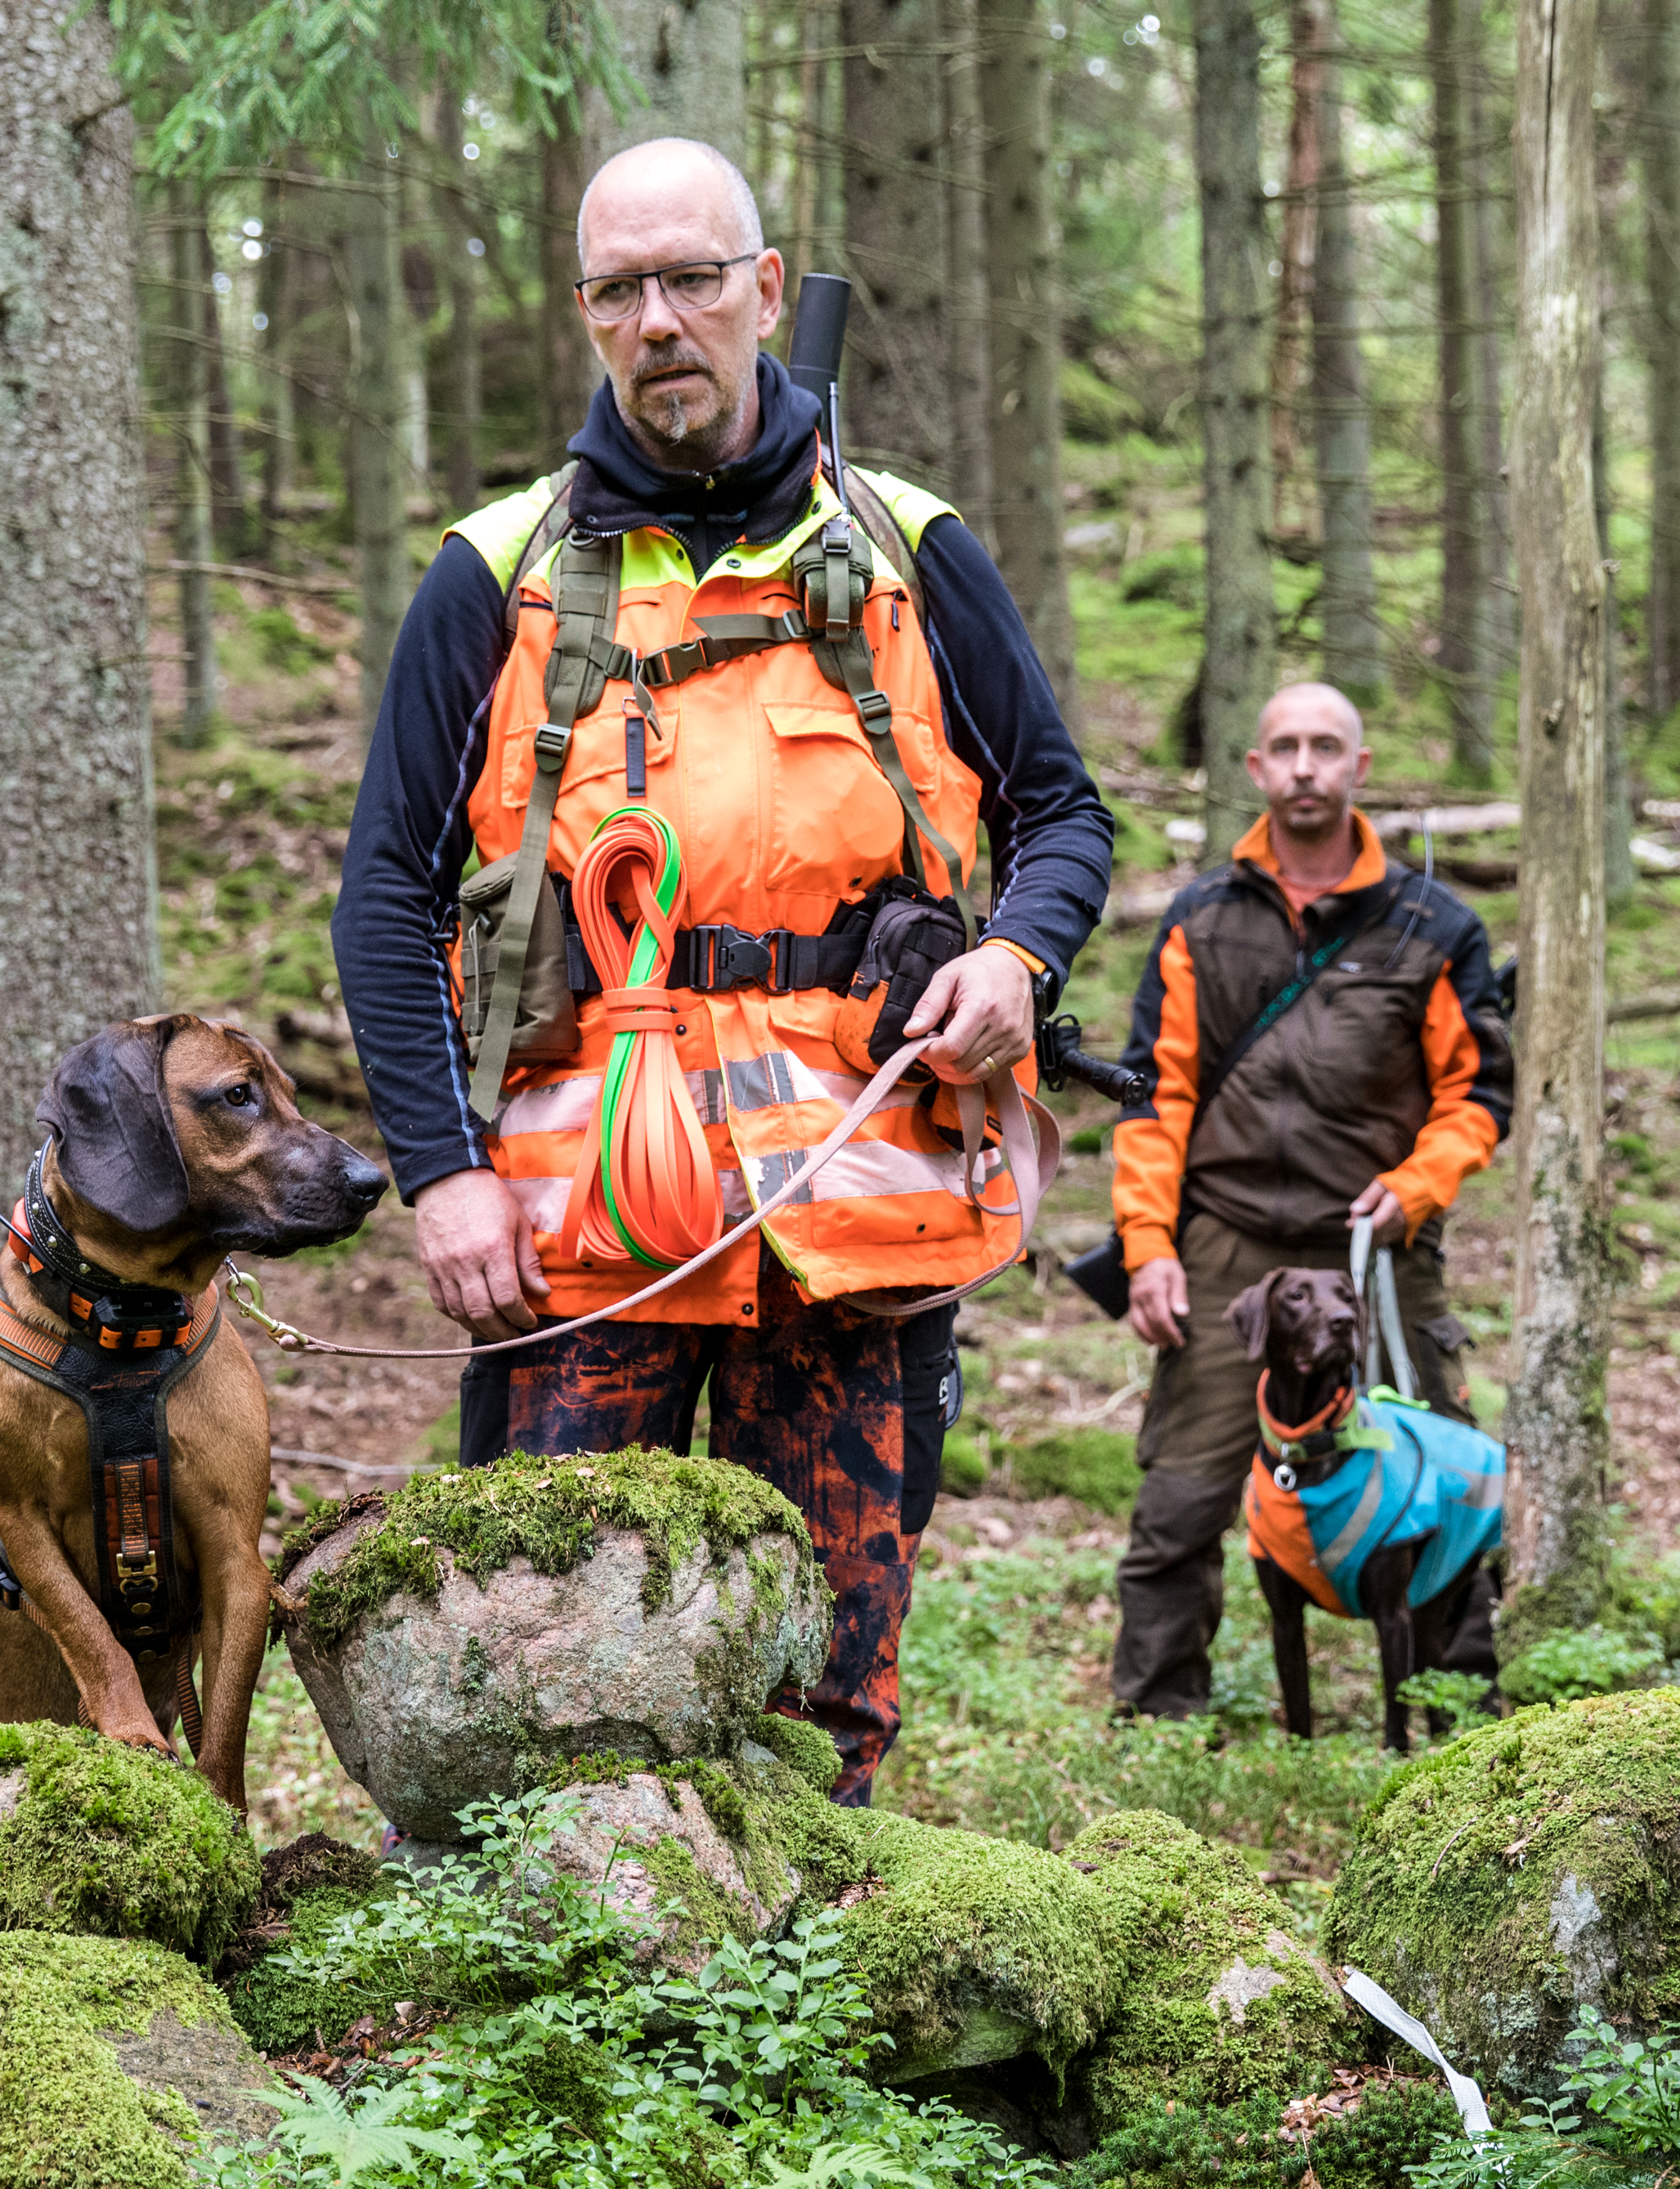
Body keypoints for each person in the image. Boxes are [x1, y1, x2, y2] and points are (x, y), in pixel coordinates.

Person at [333, 137, 1112, 1802]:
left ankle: (813, 1983)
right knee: (550, 1649)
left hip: (852, 1203)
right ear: (585, 317)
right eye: (621, 289)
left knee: (827, 1661)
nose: (661, 320)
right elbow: (385, 896)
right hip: (582, 1219)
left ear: (767, 288)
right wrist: (438, 1177)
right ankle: (562, 1989)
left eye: (694, 278)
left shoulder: (908, 550)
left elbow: (1062, 813)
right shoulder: (494, 573)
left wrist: (1022, 960)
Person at [1104, 683, 1512, 1719]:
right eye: (1283, 745)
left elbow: (1480, 1096)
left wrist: (1416, 1189)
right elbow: (1157, 1093)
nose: (1303, 766)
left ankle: (1459, 1710)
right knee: (1184, 1493)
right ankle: (1156, 1717)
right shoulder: (1202, 919)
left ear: (1358, 767)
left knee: (1451, 1483)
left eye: (1325, 747)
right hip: (1228, 1245)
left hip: (1376, 1247)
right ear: (1254, 767)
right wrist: (1149, 1245)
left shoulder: (1436, 928)